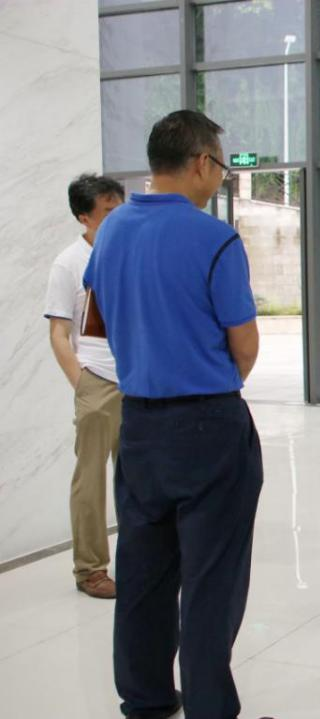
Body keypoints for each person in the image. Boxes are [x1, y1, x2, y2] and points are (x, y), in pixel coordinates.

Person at [84, 110, 267, 719]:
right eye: (221, 166)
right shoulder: (214, 238)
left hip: (139, 424)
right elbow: (245, 345)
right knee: (212, 577)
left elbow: (100, 321)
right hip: (208, 425)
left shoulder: (110, 230)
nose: (219, 177)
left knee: (143, 569)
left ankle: (146, 699)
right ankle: (210, 708)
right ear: (201, 163)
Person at [43, 173, 124, 599]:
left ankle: (142, 561)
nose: (117, 218)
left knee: (139, 478)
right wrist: (83, 385)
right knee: (90, 479)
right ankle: (90, 569)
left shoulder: (129, 253)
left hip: (138, 381)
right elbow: (59, 334)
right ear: (84, 217)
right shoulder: (69, 263)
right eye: (108, 211)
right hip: (96, 381)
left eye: (119, 209)